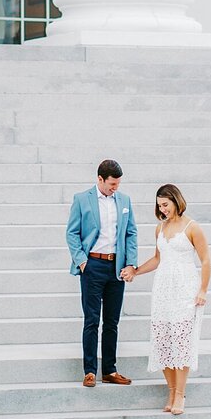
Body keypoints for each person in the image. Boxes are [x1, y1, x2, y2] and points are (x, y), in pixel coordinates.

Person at [131, 183, 210, 415]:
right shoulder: (160, 228)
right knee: (163, 341)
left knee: (181, 342)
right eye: (159, 206)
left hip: (185, 288)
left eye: (165, 204)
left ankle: (180, 395)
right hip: (163, 289)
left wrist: (203, 290)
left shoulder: (192, 227)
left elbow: (206, 260)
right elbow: (157, 259)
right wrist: (135, 271)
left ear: (176, 200)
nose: (163, 209)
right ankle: (171, 390)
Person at [66, 158, 138, 388]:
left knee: (112, 321)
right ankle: (89, 371)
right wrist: (82, 262)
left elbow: (131, 233)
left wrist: (131, 264)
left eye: (117, 184)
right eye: (111, 184)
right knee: (91, 319)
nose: (115, 188)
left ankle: (110, 370)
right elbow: (72, 233)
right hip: (93, 265)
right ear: (100, 179)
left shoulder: (125, 200)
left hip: (116, 267)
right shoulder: (81, 199)